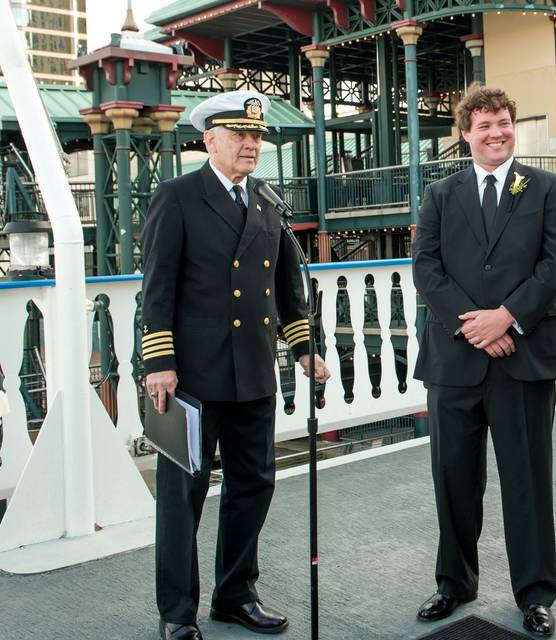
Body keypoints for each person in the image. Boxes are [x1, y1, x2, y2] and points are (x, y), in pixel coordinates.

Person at [142, 90, 331, 640]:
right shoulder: (177, 197)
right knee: (184, 495)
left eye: (256, 137)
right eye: (240, 136)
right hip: (192, 377)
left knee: (254, 485)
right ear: (211, 140)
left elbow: (286, 289)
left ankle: (235, 594)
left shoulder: (268, 204)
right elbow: (157, 287)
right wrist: (158, 361)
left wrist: (303, 348)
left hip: (252, 373)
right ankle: (177, 611)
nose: (251, 145)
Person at [411, 84, 556, 637]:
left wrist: (505, 317)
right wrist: (476, 326)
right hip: (455, 361)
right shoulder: (439, 193)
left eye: (503, 122)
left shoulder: (548, 188)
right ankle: (453, 583)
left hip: (523, 357)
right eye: (483, 125)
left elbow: (555, 265)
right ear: (465, 134)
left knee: (528, 481)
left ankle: (535, 593)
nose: (496, 132)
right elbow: (426, 269)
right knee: (453, 479)